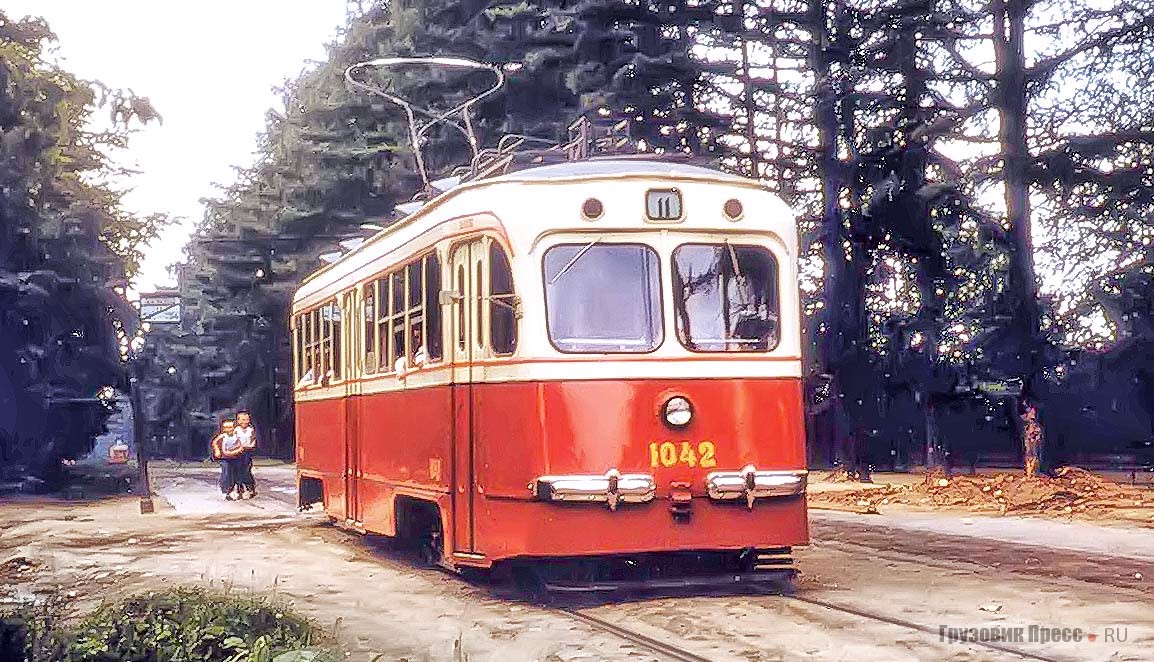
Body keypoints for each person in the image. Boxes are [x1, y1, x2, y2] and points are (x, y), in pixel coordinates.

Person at [211, 420, 244, 500]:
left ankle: (239, 489)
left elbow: (241, 445)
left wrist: (237, 450)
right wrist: (217, 450)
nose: (228, 429)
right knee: (226, 474)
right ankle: (226, 491)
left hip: (236, 457)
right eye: (226, 428)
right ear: (223, 429)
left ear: (234, 427)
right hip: (225, 458)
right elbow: (214, 442)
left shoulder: (237, 436)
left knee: (237, 474)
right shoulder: (223, 436)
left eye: (230, 427)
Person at [234, 411, 258, 499]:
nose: (245, 422)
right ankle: (239, 488)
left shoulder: (250, 430)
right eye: (242, 420)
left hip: (247, 451)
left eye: (247, 419)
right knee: (237, 469)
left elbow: (253, 439)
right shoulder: (236, 430)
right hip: (238, 451)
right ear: (238, 420)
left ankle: (250, 487)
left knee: (247, 469)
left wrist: (251, 445)